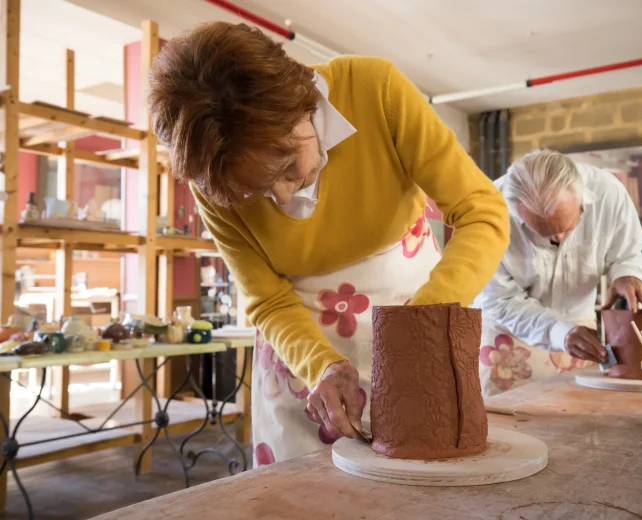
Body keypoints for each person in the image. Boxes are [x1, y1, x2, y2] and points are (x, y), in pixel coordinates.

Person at [147, 22, 509, 464]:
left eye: (284, 167)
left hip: (415, 303)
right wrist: (322, 366)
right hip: (300, 345)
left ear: (302, 103)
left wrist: (421, 327)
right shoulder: (214, 174)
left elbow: (482, 213)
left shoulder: (375, 91)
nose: (282, 199)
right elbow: (268, 300)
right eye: (255, 191)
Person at [474, 149, 642, 396]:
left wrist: (627, 274)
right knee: (509, 423)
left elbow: (628, 254)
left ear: (582, 197)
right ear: (516, 211)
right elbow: (500, 299)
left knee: (581, 419)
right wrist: (558, 331)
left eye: (569, 226)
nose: (558, 238)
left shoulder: (609, 193)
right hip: (508, 334)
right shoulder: (487, 213)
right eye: (542, 231)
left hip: (582, 332)